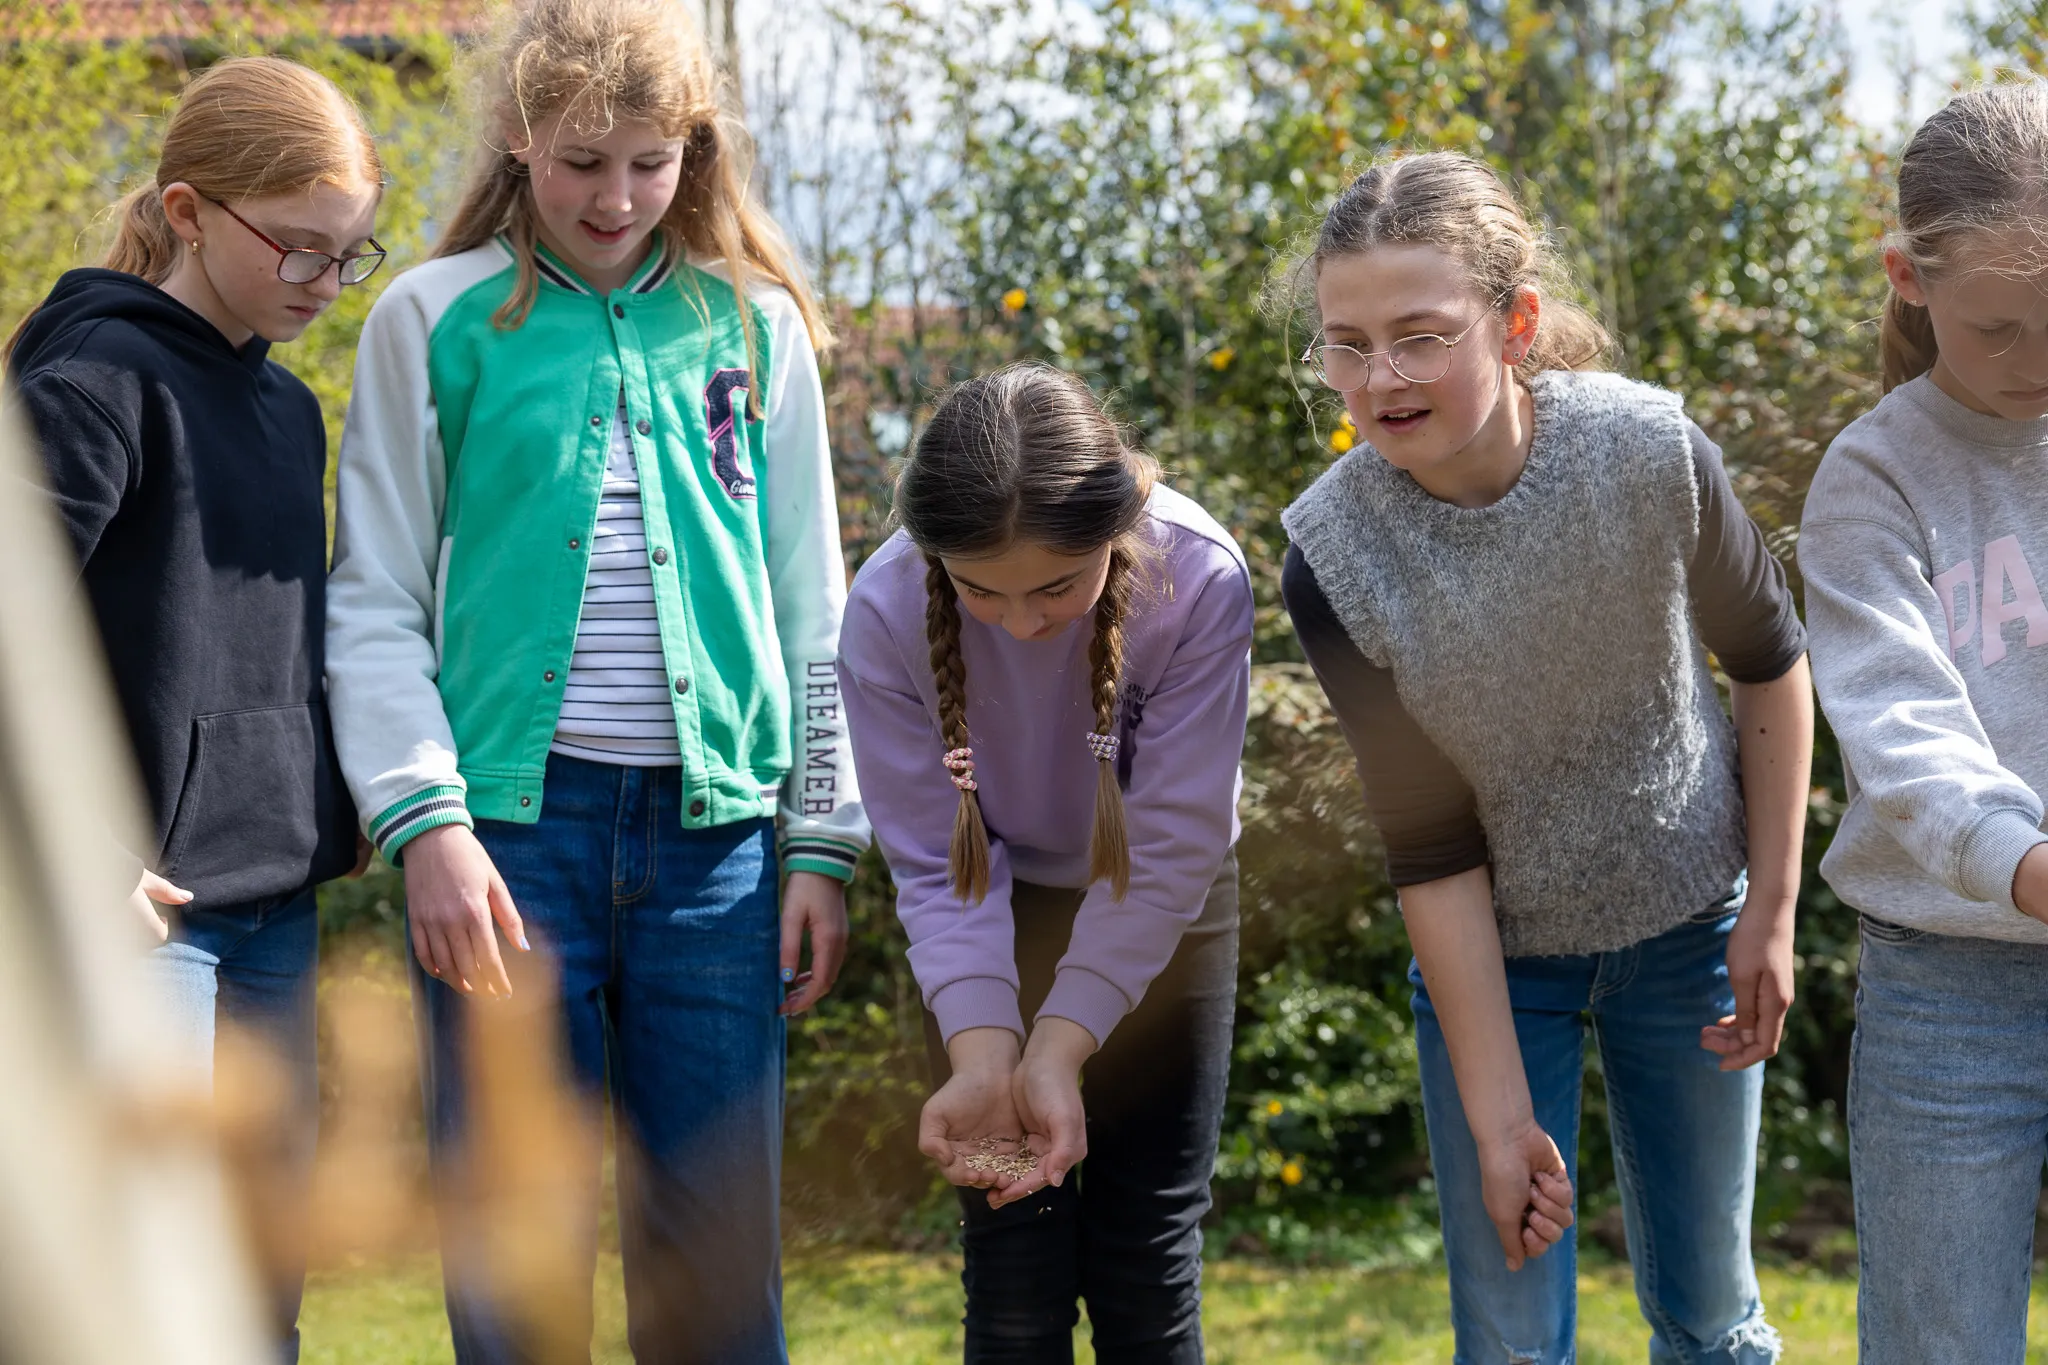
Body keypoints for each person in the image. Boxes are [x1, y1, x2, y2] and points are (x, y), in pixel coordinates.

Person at [324, 1, 866, 1359]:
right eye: (579, 163)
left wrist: (822, 836)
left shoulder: (754, 325)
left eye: (648, 161)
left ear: (693, 149)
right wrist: (428, 825)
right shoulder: (429, 319)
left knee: (717, 1262)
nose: (615, 197)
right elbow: (374, 596)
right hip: (506, 845)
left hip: (721, 850)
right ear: (517, 141)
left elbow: (815, 602)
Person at [1279, 151, 1810, 1363]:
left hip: (1687, 928)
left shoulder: (1647, 455)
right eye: (1344, 344)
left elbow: (1768, 662)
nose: (1378, 377)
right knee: (1512, 1341)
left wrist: (1768, 914)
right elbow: (1430, 844)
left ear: (1512, 323)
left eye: (1418, 334)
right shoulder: (1332, 557)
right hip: (1495, 968)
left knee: (1712, 1318)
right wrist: (1498, 1114)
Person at [3, 55, 381, 1361]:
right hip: (144, 927)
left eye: (349, 256)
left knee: (259, 1281)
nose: (324, 286)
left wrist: (339, 794)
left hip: (276, 901)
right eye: (299, 250)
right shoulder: (94, 381)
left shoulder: (286, 405)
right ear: (187, 209)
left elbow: (273, 632)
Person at [838, 363, 1253, 1363]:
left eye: (1057, 589)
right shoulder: (885, 608)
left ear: (1113, 535)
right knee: (1013, 1274)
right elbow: (937, 869)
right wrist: (988, 1058)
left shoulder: (1198, 576)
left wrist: (1061, 1048)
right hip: (993, 913)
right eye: (981, 592)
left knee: (1142, 1264)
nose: (1021, 622)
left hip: (1168, 911)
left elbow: (1167, 848)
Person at [1799, 79, 2048, 1365]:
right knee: (1937, 1343)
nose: (2036, 363)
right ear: (1907, 274)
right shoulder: (1874, 476)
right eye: (1998, 327)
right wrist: (2020, 861)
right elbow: (1900, 729)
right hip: (1948, 987)